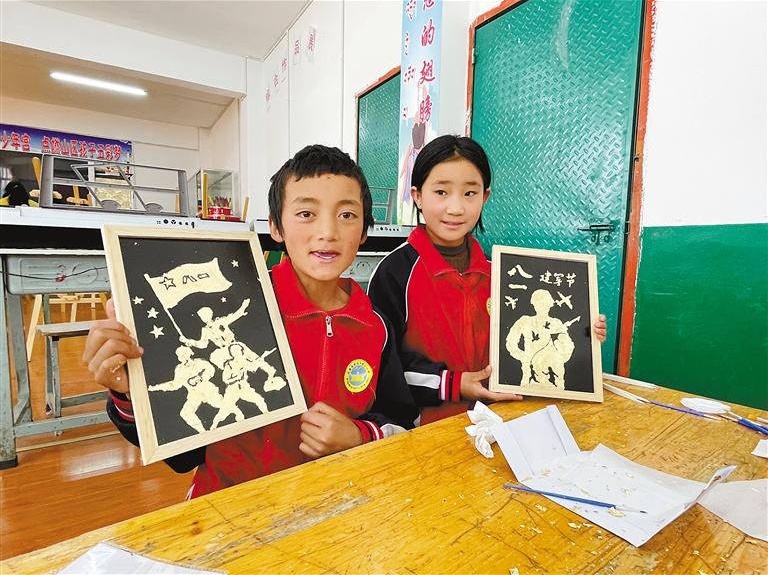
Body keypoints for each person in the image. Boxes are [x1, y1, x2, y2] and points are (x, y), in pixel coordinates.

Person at [83, 144, 418, 498]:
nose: (328, 231)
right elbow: (183, 456)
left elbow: (400, 419)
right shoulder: (240, 304)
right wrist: (129, 394)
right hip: (228, 502)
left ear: (364, 230)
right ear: (275, 226)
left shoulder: (375, 326)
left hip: (334, 501)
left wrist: (359, 436)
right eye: (306, 213)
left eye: (347, 215)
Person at [367, 135, 607, 424]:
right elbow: (382, 365)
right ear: (417, 196)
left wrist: (584, 333)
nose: (456, 208)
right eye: (441, 192)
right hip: (427, 429)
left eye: (470, 193)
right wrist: (453, 383)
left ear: (485, 196)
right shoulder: (394, 273)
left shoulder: (504, 274)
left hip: (501, 420)